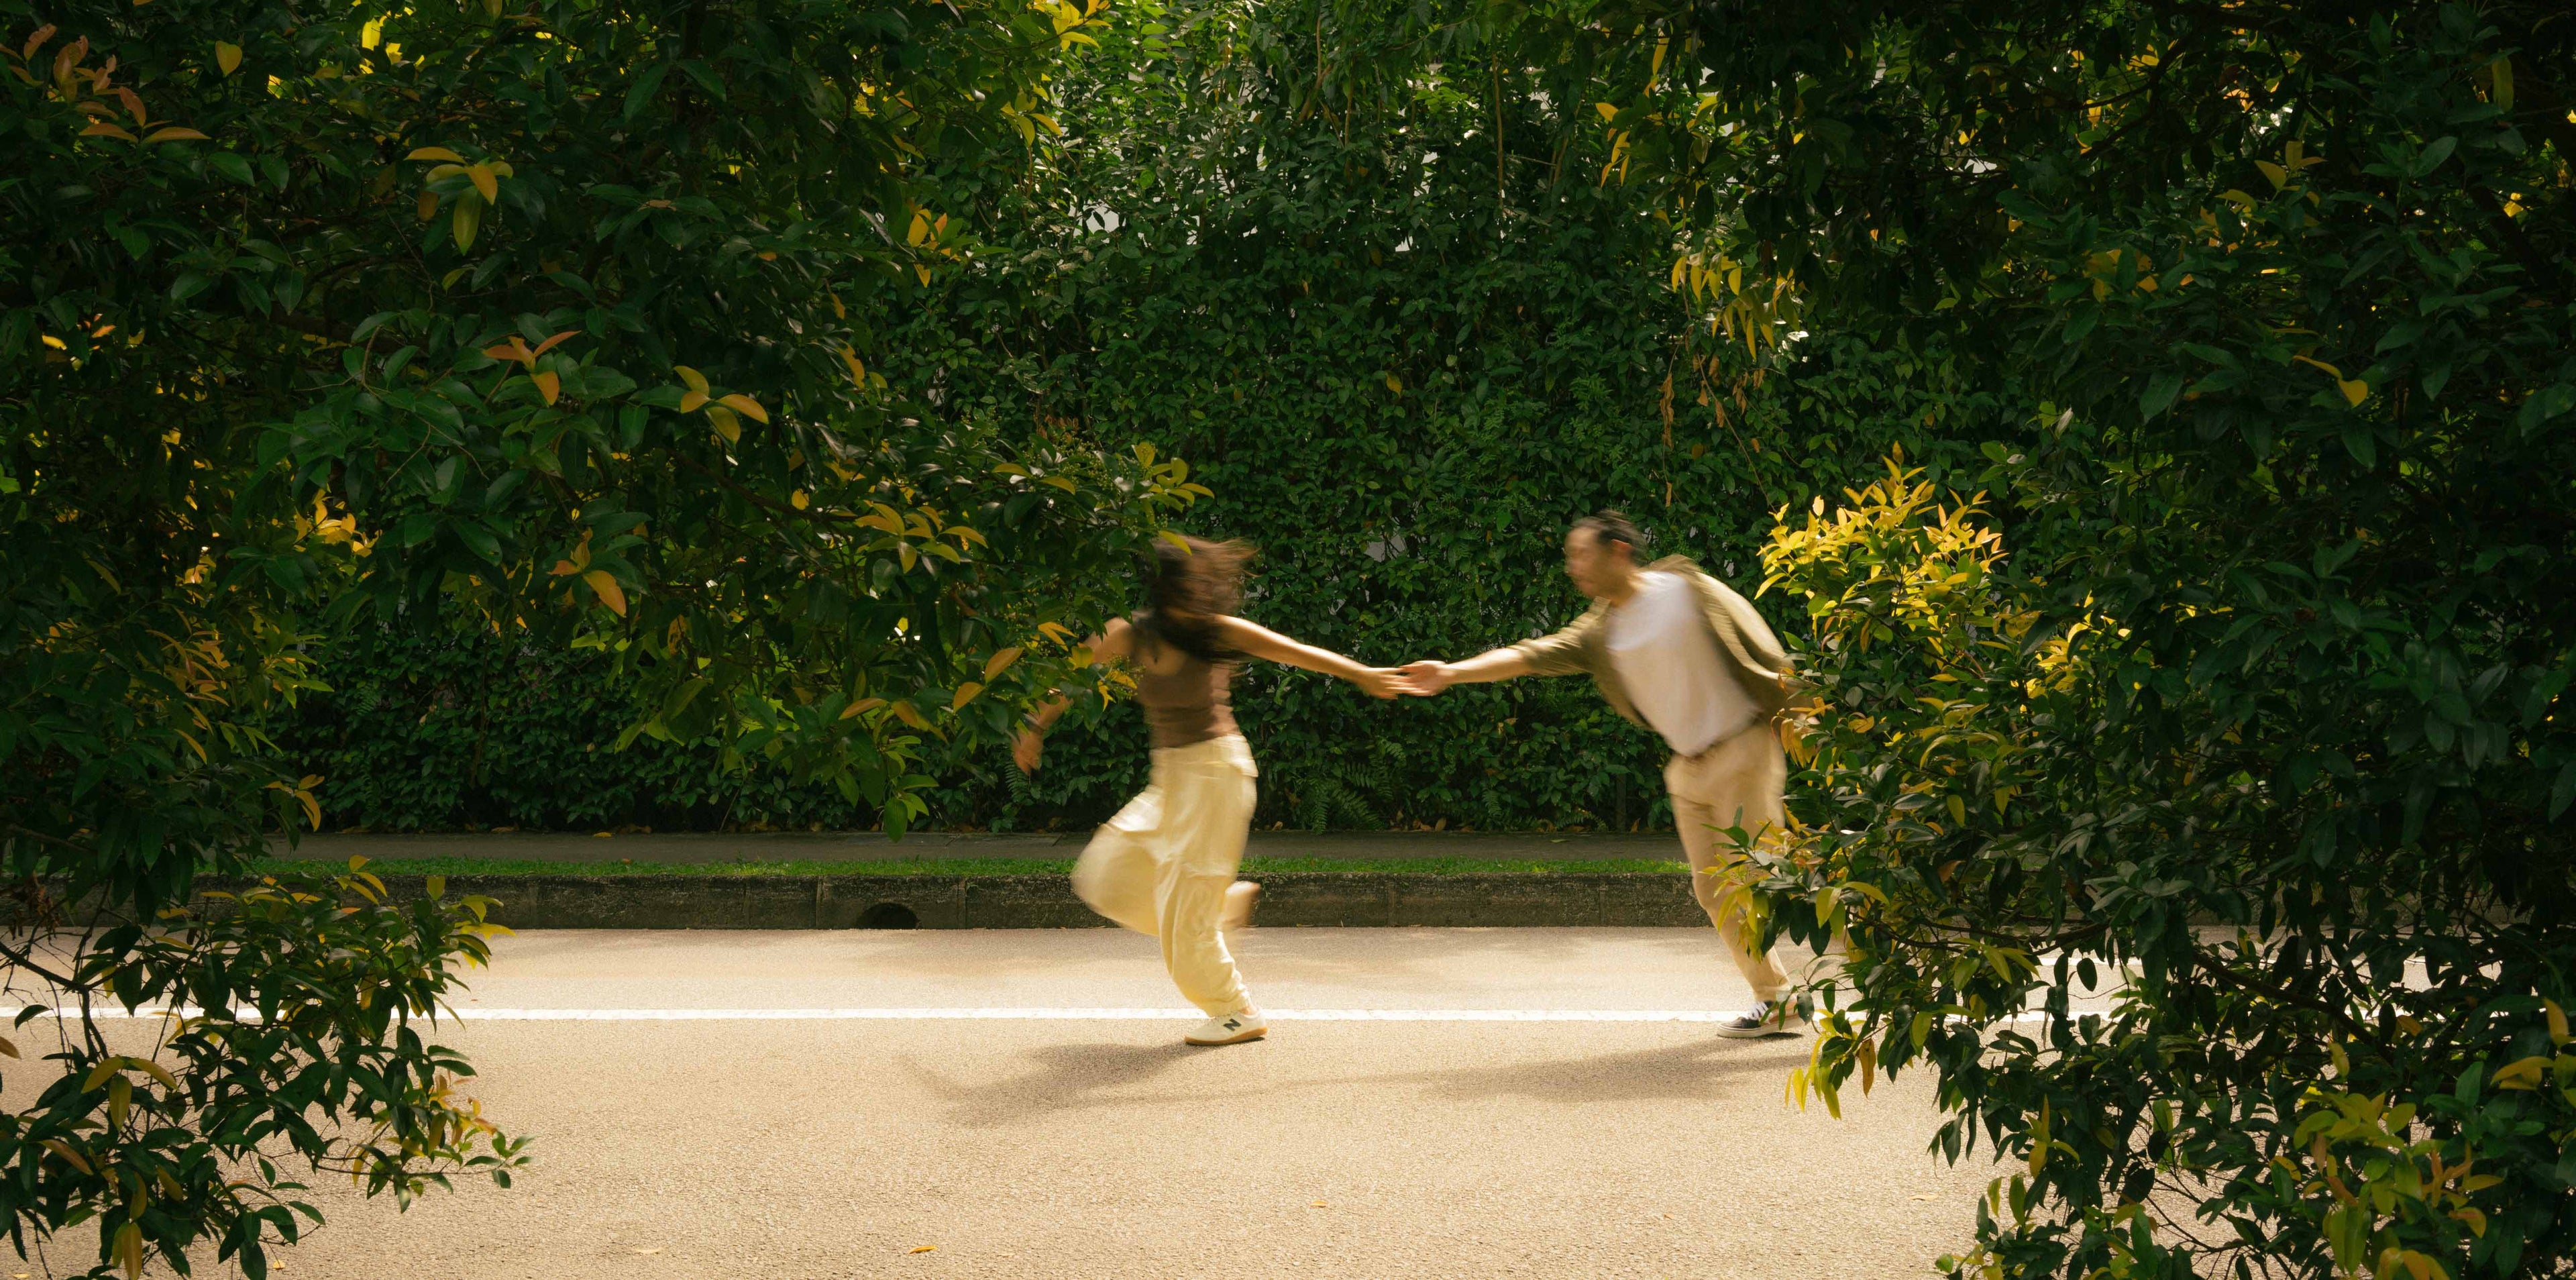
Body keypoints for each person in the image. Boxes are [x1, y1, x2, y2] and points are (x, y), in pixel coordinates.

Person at [1401, 512, 1805, 1038]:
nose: (1573, 568)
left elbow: (1762, 647)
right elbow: (1532, 655)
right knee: (1715, 892)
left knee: (1763, 881)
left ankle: (1876, 954)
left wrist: (1803, 711)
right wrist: (1453, 672)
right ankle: (1776, 997)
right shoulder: (1600, 631)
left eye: (1580, 555)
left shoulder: (1689, 590)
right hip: (1689, 768)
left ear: (1618, 550)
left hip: (1743, 751)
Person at [1015, 535, 1407, 1047]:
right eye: (1192, 581)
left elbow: (1295, 651)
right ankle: (1216, 910)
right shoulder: (1130, 635)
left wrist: (1364, 674)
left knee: (1184, 910)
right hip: (1173, 779)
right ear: (1166, 586)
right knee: (1107, 875)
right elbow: (1068, 678)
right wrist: (1034, 727)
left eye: (1208, 581)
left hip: (1217, 775)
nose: (1204, 590)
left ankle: (1234, 1010)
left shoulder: (1217, 632)